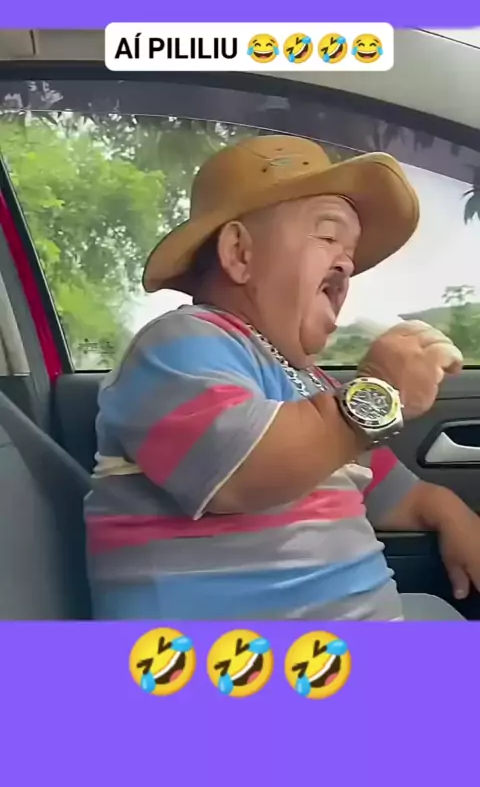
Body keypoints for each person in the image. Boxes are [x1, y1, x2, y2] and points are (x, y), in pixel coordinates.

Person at [86, 134, 480, 621]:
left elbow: (386, 490)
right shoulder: (179, 345)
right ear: (240, 253)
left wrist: (449, 511)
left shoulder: (312, 383)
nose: (347, 263)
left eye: (351, 252)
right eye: (328, 237)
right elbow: (243, 474)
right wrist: (380, 391)